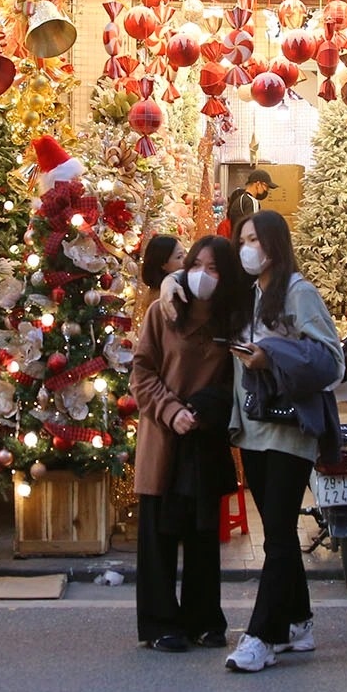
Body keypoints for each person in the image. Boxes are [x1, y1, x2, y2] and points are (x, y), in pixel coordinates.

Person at [224, 210, 342, 673]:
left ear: (275, 243)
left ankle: (262, 635)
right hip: (255, 427)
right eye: (242, 239)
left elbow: (331, 359)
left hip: (289, 429)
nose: (247, 248)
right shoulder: (253, 294)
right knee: (277, 532)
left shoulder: (298, 292)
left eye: (254, 239)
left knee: (277, 535)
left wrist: (269, 354)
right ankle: (297, 622)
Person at [130, 235, 249, 652]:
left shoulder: (233, 318)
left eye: (214, 268)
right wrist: (170, 410)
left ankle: (204, 619)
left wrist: (204, 412)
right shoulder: (162, 313)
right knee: (158, 537)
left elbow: (236, 378)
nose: (203, 275)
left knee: (203, 537)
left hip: (205, 437)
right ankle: (161, 622)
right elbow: (141, 373)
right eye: (196, 264)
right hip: (163, 437)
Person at [136, 234, 185, 321]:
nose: (186, 260)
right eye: (179, 257)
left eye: (185, 253)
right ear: (163, 265)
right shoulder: (160, 299)